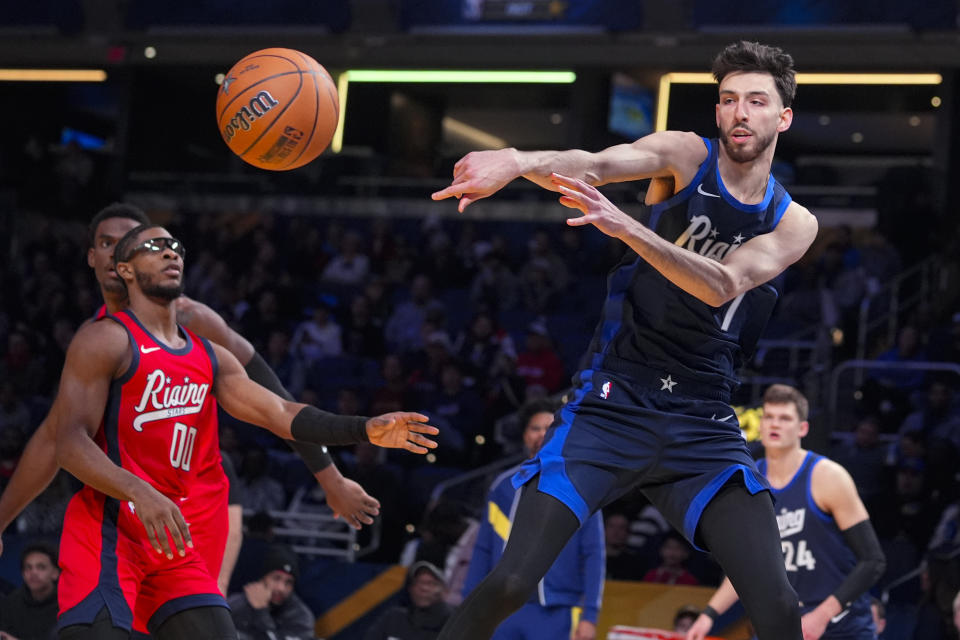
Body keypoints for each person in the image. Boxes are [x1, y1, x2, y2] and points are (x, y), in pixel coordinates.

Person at [430, 40, 818, 640]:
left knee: (778, 606)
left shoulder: (794, 222)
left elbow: (723, 284)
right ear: (717, 112)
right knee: (510, 583)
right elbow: (595, 163)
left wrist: (627, 227)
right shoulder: (686, 155)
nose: (741, 112)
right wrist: (515, 159)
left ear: (782, 117)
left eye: (757, 101)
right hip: (612, 406)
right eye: (729, 100)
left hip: (705, 424)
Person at [52, 223, 439, 640]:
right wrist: (140, 491)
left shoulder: (210, 357)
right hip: (108, 533)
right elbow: (69, 443)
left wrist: (364, 429)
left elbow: (280, 411)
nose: (170, 253)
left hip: (169, 545)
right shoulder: (106, 340)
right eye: (154, 247)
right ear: (125, 270)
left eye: (174, 246)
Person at [0, 204, 383, 558]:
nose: (118, 252)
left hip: (198, 504)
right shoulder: (93, 338)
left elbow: (275, 401)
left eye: (135, 241)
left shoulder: (192, 320)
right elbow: (55, 436)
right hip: (128, 506)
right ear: (93, 257)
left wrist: (331, 480)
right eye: (107, 244)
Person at [685, 384, 886, 640]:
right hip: (784, 623)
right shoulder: (746, 480)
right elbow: (746, 566)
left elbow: (873, 561)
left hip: (840, 624)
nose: (774, 424)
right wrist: (709, 615)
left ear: (803, 428)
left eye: (785, 418)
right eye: (768, 416)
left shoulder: (828, 477)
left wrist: (821, 617)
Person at [462, 399, 604, 640]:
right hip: (500, 609)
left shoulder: (581, 487)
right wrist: (468, 606)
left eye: (549, 428)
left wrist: (590, 616)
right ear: (525, 435)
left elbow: (594, 554)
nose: (541, 434)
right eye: (535, 428)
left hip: (555, 611)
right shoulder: (502, 487)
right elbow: (483, 550)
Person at [227, 545, 315, 640]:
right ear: (263, 578)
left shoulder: (300, 616)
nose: (281, 588)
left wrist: (261, 612)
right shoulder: (236, 605)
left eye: (288, 582)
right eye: (276, 578)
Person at [363, 561, 453, 640]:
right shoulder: (393, 618)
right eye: (418, 582)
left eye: (430, 583)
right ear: (410, 589)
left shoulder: (452, 622)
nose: (423, 588)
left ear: (444, 590)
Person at [0, 542, 60, 640]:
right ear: (23, 574)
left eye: (41, 567)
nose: (33, 572)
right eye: (28, 567)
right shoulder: (11, 604)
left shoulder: (67, 605)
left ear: (55, 573)